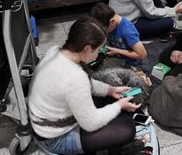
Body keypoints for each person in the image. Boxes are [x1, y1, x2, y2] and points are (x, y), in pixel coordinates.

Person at [28, 16, 141, 155]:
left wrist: (110, 90)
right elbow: (90, 123)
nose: (99, 53)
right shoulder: (75, 77)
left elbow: (83, 85)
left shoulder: (55, 50)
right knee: (127, 128)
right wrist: (119, 106)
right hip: (55, 139)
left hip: (42, 124)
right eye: (98, 49)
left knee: (111, 100)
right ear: (87, 48)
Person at [91, 2, 147, 67]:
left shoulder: (127, 31)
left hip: (129, 63)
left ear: (112, 22)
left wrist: (117, 51)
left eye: (104, 29)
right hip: (115, 55)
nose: (103, 31)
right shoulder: (110, 23)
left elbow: (142, 55)